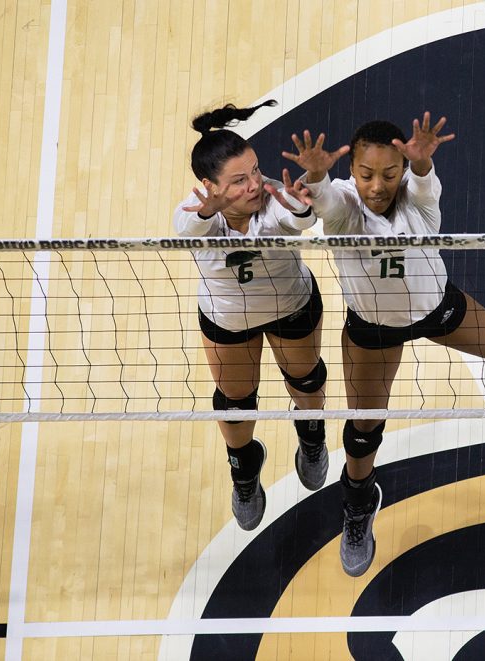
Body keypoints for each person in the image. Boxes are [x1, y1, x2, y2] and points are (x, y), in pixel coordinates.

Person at [288, 112, 485, 576]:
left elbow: (421, 186)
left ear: (402, 171)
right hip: (373, 331)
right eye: (366, 174)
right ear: (351, 172)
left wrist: (419, 168)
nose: (377, 185)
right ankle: (359, 504)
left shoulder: (420, 205)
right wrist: (315, 176)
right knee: (362, 430)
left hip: (438, 310)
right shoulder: (343, 210)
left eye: (389, 174)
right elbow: (326, 199)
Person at [173, 100, 329, 532]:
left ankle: (311, 437)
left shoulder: (272, 201)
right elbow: (188, 229)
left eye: (255, 171)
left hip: (291, 305)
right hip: (229, 321)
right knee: (236, 403)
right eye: (239, 180)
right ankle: (244, 469)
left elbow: (300, 220)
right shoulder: (194, 212)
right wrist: (208, 211)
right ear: (210, 187)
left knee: (307, 380)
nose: (254, 184)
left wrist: (299, 205)